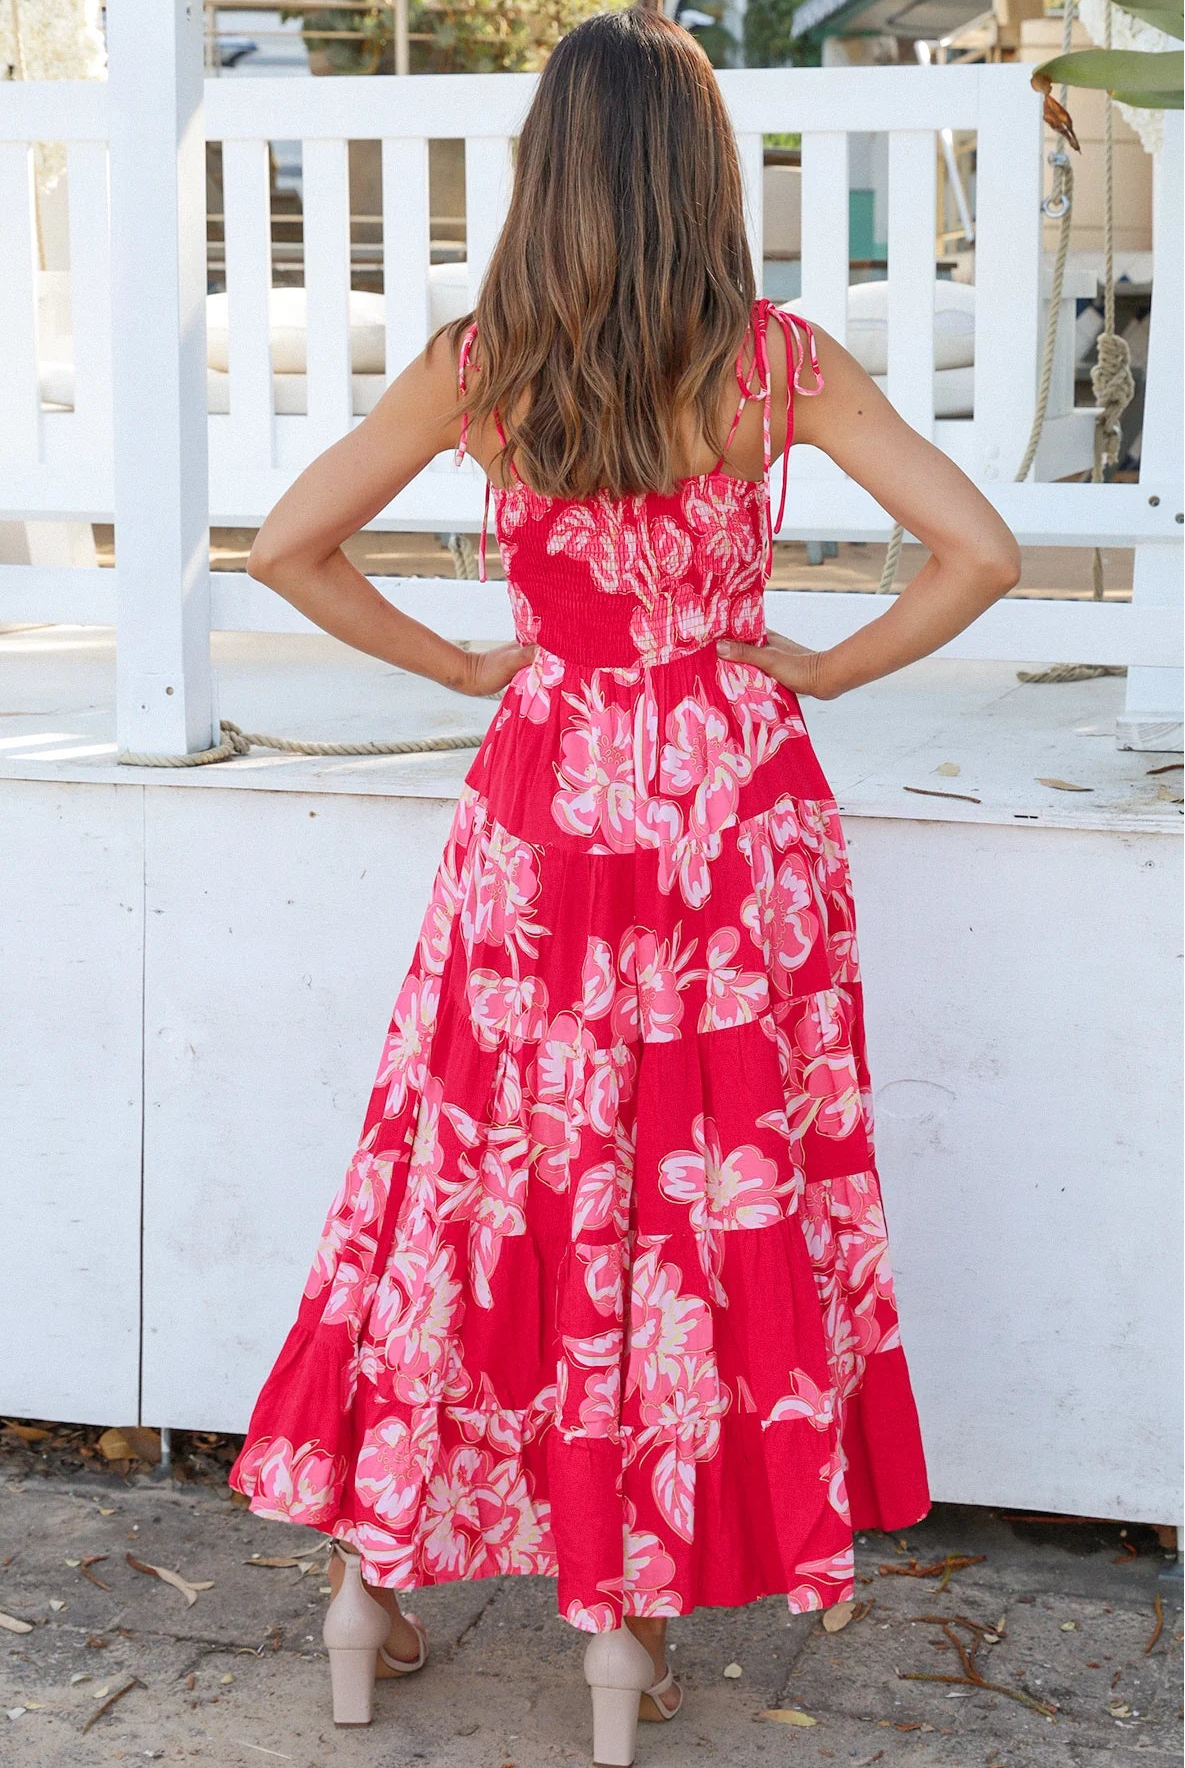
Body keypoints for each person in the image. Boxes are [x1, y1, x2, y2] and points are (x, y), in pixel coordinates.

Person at [230, 8, 1020, 1764]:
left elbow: (288, 545)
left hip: (542, 821)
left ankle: (371, 1598)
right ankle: (627, 1631)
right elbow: (983, 551)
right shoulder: (776, 367)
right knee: (688, 1200)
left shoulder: (481, 364)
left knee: (479, 1185)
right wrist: (822, 672)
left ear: (546, 174)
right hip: (730, 829)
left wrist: (459, 669)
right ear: (703, 175)